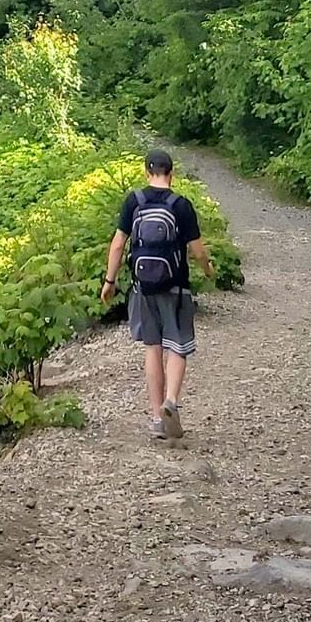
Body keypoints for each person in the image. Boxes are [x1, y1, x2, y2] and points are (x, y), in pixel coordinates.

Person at [99, 147, 215, 440]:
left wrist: (110, 281)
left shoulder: (134, 201)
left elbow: (117, 245)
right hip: (176, 287)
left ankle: (156, 418)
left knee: (152, 347)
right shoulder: (181, 205)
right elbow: (197, 250)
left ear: (146, 172)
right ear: (171, 174)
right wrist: (208, 268)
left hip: (143, 288)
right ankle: (171, 402)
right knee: (177, 346)